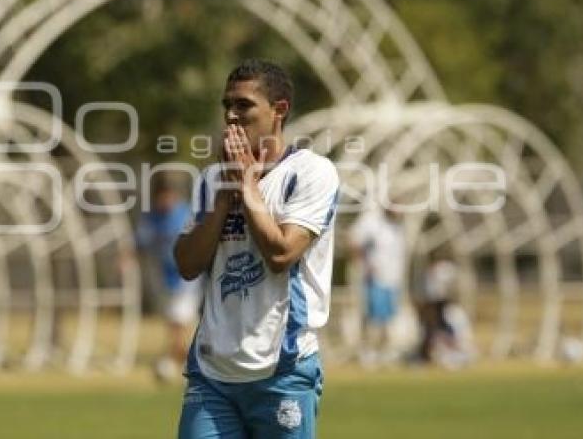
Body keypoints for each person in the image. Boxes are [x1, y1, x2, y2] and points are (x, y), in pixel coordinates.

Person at [174, 60, 340, 439]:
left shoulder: (311, 173)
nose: (231, 116)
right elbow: (186, 263)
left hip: (281, 370)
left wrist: (248, 188)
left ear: (278, 110)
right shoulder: (212, 179)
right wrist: (223, 199)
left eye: (244, 105)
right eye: (226, 105)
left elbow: (281, 254)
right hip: (213, 374)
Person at [135, 174, 202, 382]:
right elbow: (139, 242)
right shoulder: (152, 219)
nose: (165, 202)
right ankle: (185, 363)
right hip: (166, 279)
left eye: (168, 196)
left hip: (189, 277)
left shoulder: (185, 215)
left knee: (179, 323)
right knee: (175, 325)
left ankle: (174, 362)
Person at [347, 205, 407, 367]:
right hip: (376, 279)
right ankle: (368, 351)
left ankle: (384, 352)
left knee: (387, 319)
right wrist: (362, 265)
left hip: (392, 280)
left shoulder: (397, 228)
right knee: (372, 317)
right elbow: (354, 240)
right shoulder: (372, 222)